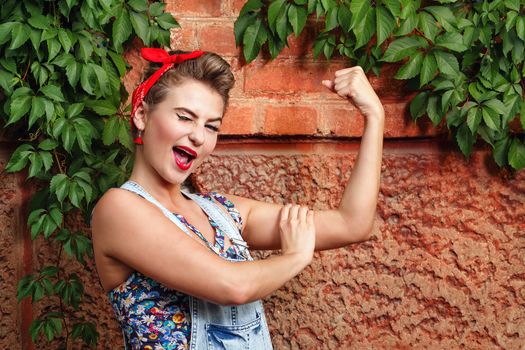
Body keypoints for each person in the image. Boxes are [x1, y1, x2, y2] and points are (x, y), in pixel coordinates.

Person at [91, 47, 384, 350]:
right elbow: (232, 286)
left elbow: (352, 223)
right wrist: (294, 257)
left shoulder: (223, 213)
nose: (198, 137)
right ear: (141, 114)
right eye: (184, 117)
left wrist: (374, 115)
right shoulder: (118, 208)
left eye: (211, 126)